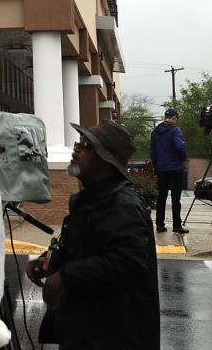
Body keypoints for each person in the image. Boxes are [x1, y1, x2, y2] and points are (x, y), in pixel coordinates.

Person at [26, 120, 159, 349]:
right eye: (78, 143)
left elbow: (128, 261)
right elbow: (83, 250)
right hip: (86, 331)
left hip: (114, 337)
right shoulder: (89, 200)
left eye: (86, 145)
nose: (76, 149)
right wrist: (47, 263)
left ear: (106, 162)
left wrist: (66, 277)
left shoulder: (122, 205)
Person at [149, 106, 189, 234]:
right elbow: (179, 146)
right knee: (175, 198)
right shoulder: (175, 131)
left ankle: (160, 225)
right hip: (176, 168)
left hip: (161, 169)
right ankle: (177, 225)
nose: (177, 120)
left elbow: (153, 152)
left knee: (161, 197)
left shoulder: (155, 132)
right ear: (173, 117)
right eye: (176, 118)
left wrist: (156, 167)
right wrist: (183, 158)